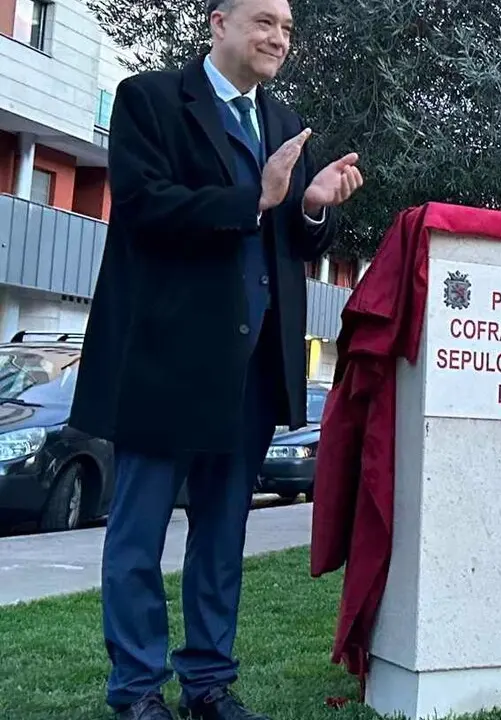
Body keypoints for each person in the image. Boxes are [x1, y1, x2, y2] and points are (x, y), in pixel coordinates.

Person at [69, 0, 363, 717]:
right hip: (164, 361)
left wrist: (312, 206)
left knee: (223, 534)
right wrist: (252, 197)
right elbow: (144, 206)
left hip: (252, 369)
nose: (278, 38)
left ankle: (208, 685)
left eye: (287, 28)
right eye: (264, 22)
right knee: (138, 535)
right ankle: (137, 690)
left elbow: (291, 243)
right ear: (218, 23)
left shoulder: (286, 124)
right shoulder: (150, 100)